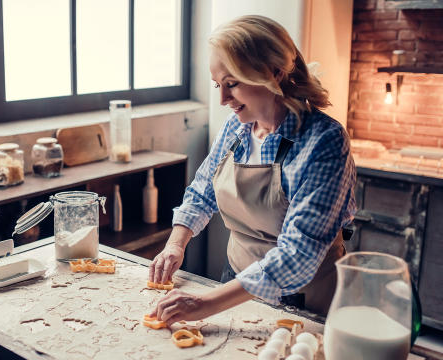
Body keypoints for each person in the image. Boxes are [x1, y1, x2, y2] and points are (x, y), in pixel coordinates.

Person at [149, 15, 356, 323]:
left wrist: (204, 304)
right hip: (233, 282)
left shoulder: (324, 141)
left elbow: (298, 255)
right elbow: (202, 192)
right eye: (218, 85)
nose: (222, 99)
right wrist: (174, 246)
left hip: (300, 299)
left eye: (232, 84)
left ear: (274, 73)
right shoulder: (237, 127)